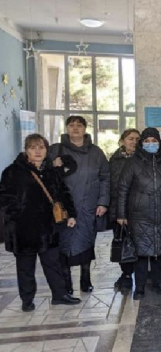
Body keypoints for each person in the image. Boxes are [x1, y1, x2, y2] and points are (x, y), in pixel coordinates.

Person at [0, 134, 81, 311]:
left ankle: (60, 295)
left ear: (46, 150)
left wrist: (71, 214)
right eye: (33, 147)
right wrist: (17, 217)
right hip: (23, 230)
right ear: (26, 150)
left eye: (41, 147)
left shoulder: (51, 171)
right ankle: (27, 300)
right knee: (26, 268)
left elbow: (63, 193)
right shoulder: (12, 172)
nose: (38, 151)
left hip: (48, 228)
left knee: (53, 264)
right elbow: (4, 200)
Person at [49, 116, 110, 294]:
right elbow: (42, 172)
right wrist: (52, 165)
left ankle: (85, 278)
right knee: (63, 244)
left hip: (88, 205)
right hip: (64, 207)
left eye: (79, 125)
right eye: (71, 125)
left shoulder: (96, 152)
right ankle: (66, 282)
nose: (75, 128)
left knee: (86, 242)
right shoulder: (55, 150)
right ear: (66, 128)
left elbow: (105, 177)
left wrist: (103, 202)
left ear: (85, 128)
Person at [117, 128, 161, 300]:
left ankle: (160, 283)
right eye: (147, 141)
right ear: (142, 143)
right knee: (141, 254)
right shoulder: (132, 163)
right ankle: (140, 287)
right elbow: (122, 189)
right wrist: (121, 215)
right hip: (139, 216)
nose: (151, 144)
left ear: (159, 142)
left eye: (154, 141)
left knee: (159, 252)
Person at [108, 128, 140, 291]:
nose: (134, 142)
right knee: (123, 242)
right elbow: (111, 186)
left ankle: (138, 274)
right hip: (118, 209)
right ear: (122, 141)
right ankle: (126, 274)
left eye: (136, 139)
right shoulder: (114, 161)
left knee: (137, 244)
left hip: (138, 209)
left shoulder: (143, 159)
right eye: (130, 139)